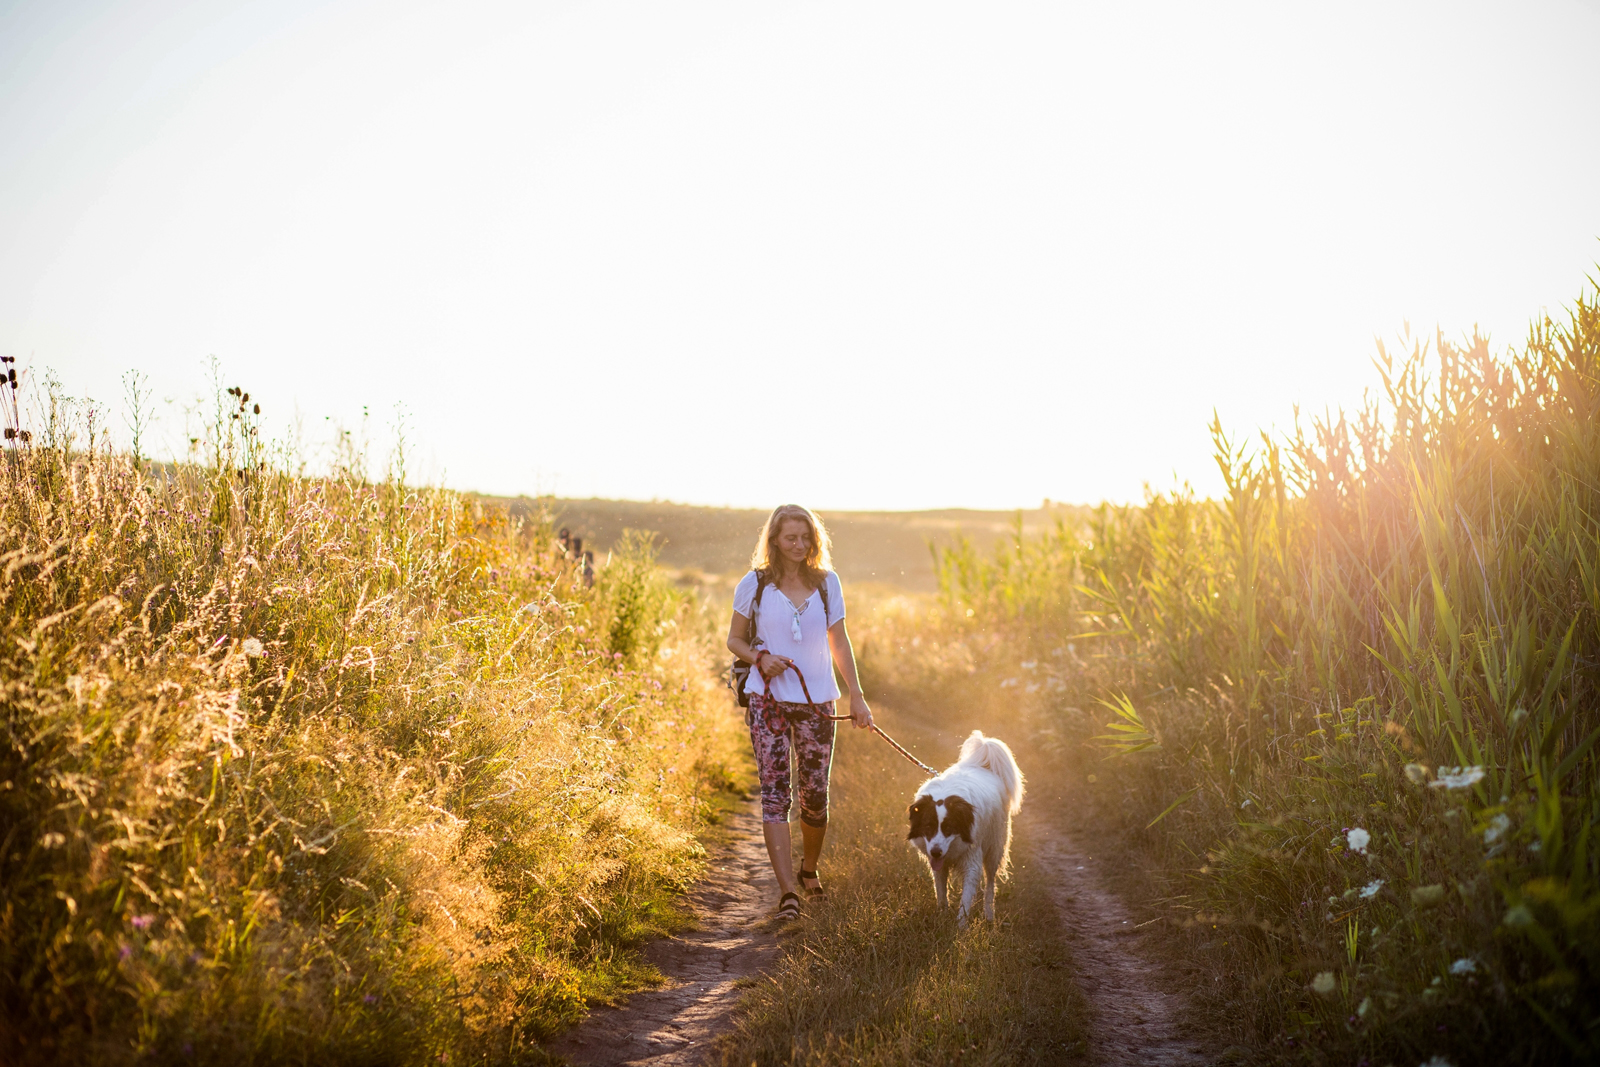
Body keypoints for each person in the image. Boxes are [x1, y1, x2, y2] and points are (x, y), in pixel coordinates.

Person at [726, 504, 873, 922]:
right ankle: (788, 890)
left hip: (817, 704)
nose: (799, 544)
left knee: (815, 796)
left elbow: (839, 642)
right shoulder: (753, 585)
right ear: (774, 540)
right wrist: (760, 657)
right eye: (790, 537)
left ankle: (809, 867)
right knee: (775, 793)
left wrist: (856, 696)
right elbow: (733, 640)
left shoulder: (828, 584)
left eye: (805, 537)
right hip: (767, 700)